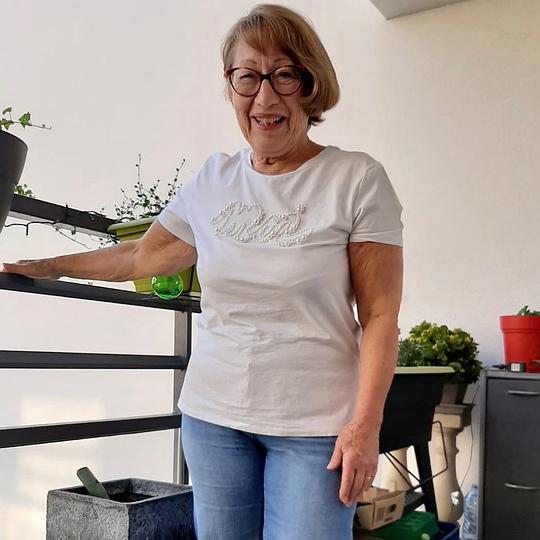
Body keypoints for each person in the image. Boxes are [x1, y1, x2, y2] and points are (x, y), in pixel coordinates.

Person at [2, 4, 403, 539]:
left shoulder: (356, 179)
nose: (265, 98)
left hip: (318, 428)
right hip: (214, 419)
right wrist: (50, 266)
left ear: (311, 84)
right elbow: (141, 257)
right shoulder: (213, 179)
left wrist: (365, 426)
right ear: (230, 85)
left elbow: (379, 315)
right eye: (248, 77)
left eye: (284, 74)